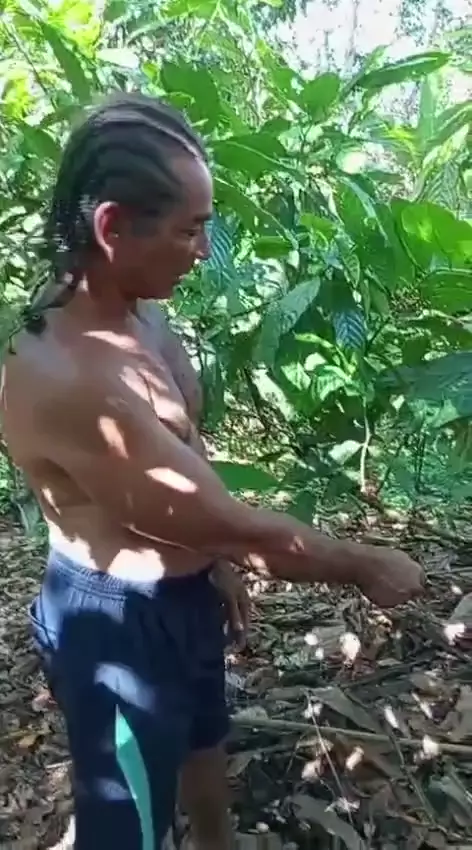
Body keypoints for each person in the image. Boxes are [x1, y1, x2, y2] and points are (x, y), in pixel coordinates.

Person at [0, 93, 423, 850]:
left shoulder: (140, 308)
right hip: (118, 625)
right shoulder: (70, 376)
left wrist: (212, 563)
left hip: (184, 592)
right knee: (126, 820)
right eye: (189, 229)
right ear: (111, 227)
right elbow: (237, 526)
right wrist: (364, 564)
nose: (203, 250)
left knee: (203, 738)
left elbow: (184, 458)